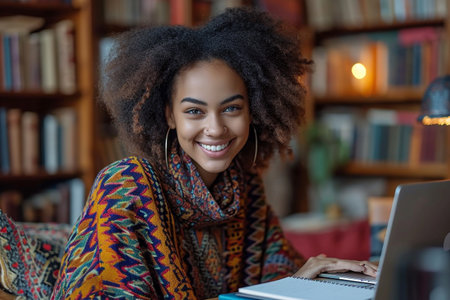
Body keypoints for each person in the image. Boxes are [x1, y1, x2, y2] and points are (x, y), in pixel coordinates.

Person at [52, 7, 377, 299]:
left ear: (253, 110)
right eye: (195, 112)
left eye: (231, 108)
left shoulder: (245, 186)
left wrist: (306, 278)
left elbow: (275, 282)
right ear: (169, 115)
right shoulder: (126, 184)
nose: (216, 128)